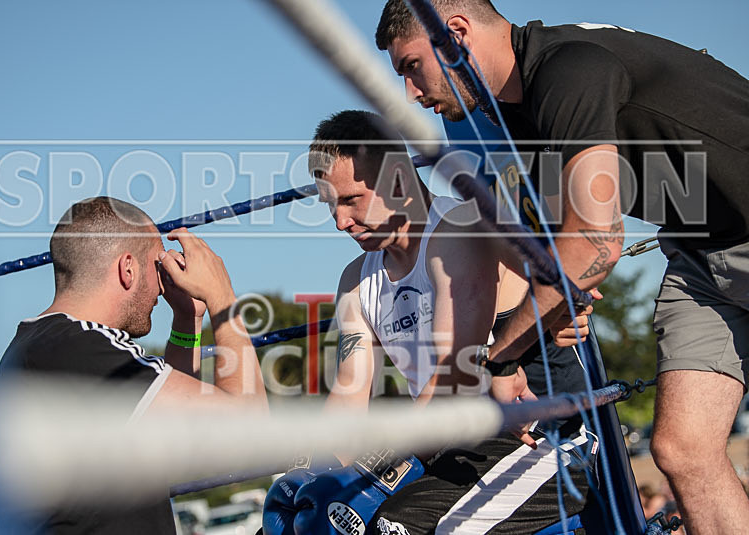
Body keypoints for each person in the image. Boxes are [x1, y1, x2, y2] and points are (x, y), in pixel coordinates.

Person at [375, 1, 749, 533]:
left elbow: (595, 244)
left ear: (454, 32)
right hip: (700, 256)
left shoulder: (568, 67)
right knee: (682, 450)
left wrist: (502, 360)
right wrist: (552, 312)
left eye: (411, 66)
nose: (410, 92)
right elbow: (561, 256)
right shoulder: (517, 113)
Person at [273, 109, 595, 535]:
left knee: (394, 528)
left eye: (351, 200)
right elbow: (350, 394)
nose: (340, 222)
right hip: (448, 450)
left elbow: (453, 375)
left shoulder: (459, 233)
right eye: (331, 205)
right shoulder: (356, 279)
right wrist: (316, 465)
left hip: (545, 440)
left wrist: (379, 455)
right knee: (307, 521)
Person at [0, 196, 267, 534]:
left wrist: (186, 320)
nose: (162, 284)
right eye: (156, 267)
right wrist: (222, 296)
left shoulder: (43, 347)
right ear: (128, 269)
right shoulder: (83, 348)